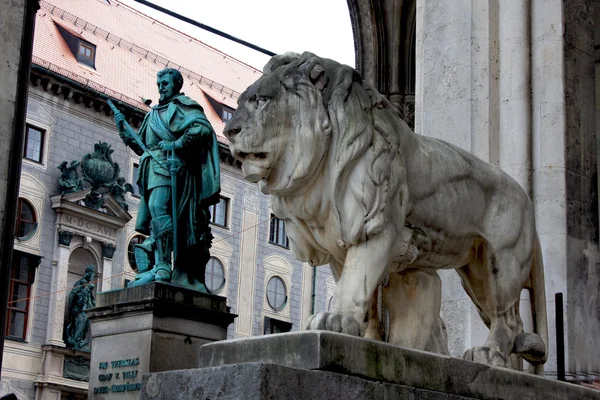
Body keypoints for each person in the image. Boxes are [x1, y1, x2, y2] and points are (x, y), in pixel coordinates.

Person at [113, 68, 220, 291]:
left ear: (176, 85)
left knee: (158, 208)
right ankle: (157, 265)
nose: (160, 86)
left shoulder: (183, 106)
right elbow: (140, 146)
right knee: (155, 214)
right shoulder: (152, 114)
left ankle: (163, 266)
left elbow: (202, 129)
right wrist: (123, 128)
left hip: (171, 167)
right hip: (151, 168)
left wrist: (176, 145)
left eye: (165, 82)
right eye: (158, 82)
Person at [65, 264, 96, 351]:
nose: (92, 277)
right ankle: (76, 342)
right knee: (80, 325)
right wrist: (72, 308)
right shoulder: (80, 283)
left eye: (93, 275)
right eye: (92, 274)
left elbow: (92, 299)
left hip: (87, 311)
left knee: (85, 327)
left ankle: (80, 342)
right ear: (88, 273)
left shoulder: (89, 287)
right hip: (80, 310)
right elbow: (72, 294)